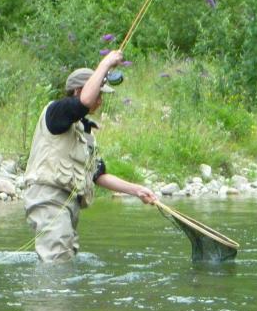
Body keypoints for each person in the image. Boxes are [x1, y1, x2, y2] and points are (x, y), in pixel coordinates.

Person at [24, 50, 157, 263]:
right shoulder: (57, 112)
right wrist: (106, 63)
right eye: (99, 94)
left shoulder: (84, 130)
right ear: (78, 90)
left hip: (68, 204)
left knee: (66, 259)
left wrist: (137, 191)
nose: (100, 101)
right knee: (57, 261)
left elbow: (99, 175)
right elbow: (83, 102)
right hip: (48, 199)